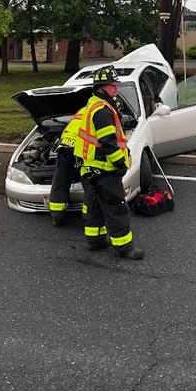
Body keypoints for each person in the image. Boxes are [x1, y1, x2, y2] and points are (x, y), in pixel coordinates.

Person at [74, 65, 144, 260]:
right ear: (103, 87)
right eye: (114, 86)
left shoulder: (93, 104)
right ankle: (124, 247)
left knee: (94, 206)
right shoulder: (103, 111)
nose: (117, 89)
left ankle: (95, 241)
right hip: (105, 170)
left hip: (91, 170)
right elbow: (107, 142)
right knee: (116, 207)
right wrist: (120, 163)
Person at [48, 108, 85, 226]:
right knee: (90, 183)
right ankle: (89, 217)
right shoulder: (103, 112)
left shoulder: (83, 110)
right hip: (80, 147)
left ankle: (57, 217)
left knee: (61, 180)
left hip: (65, 145)